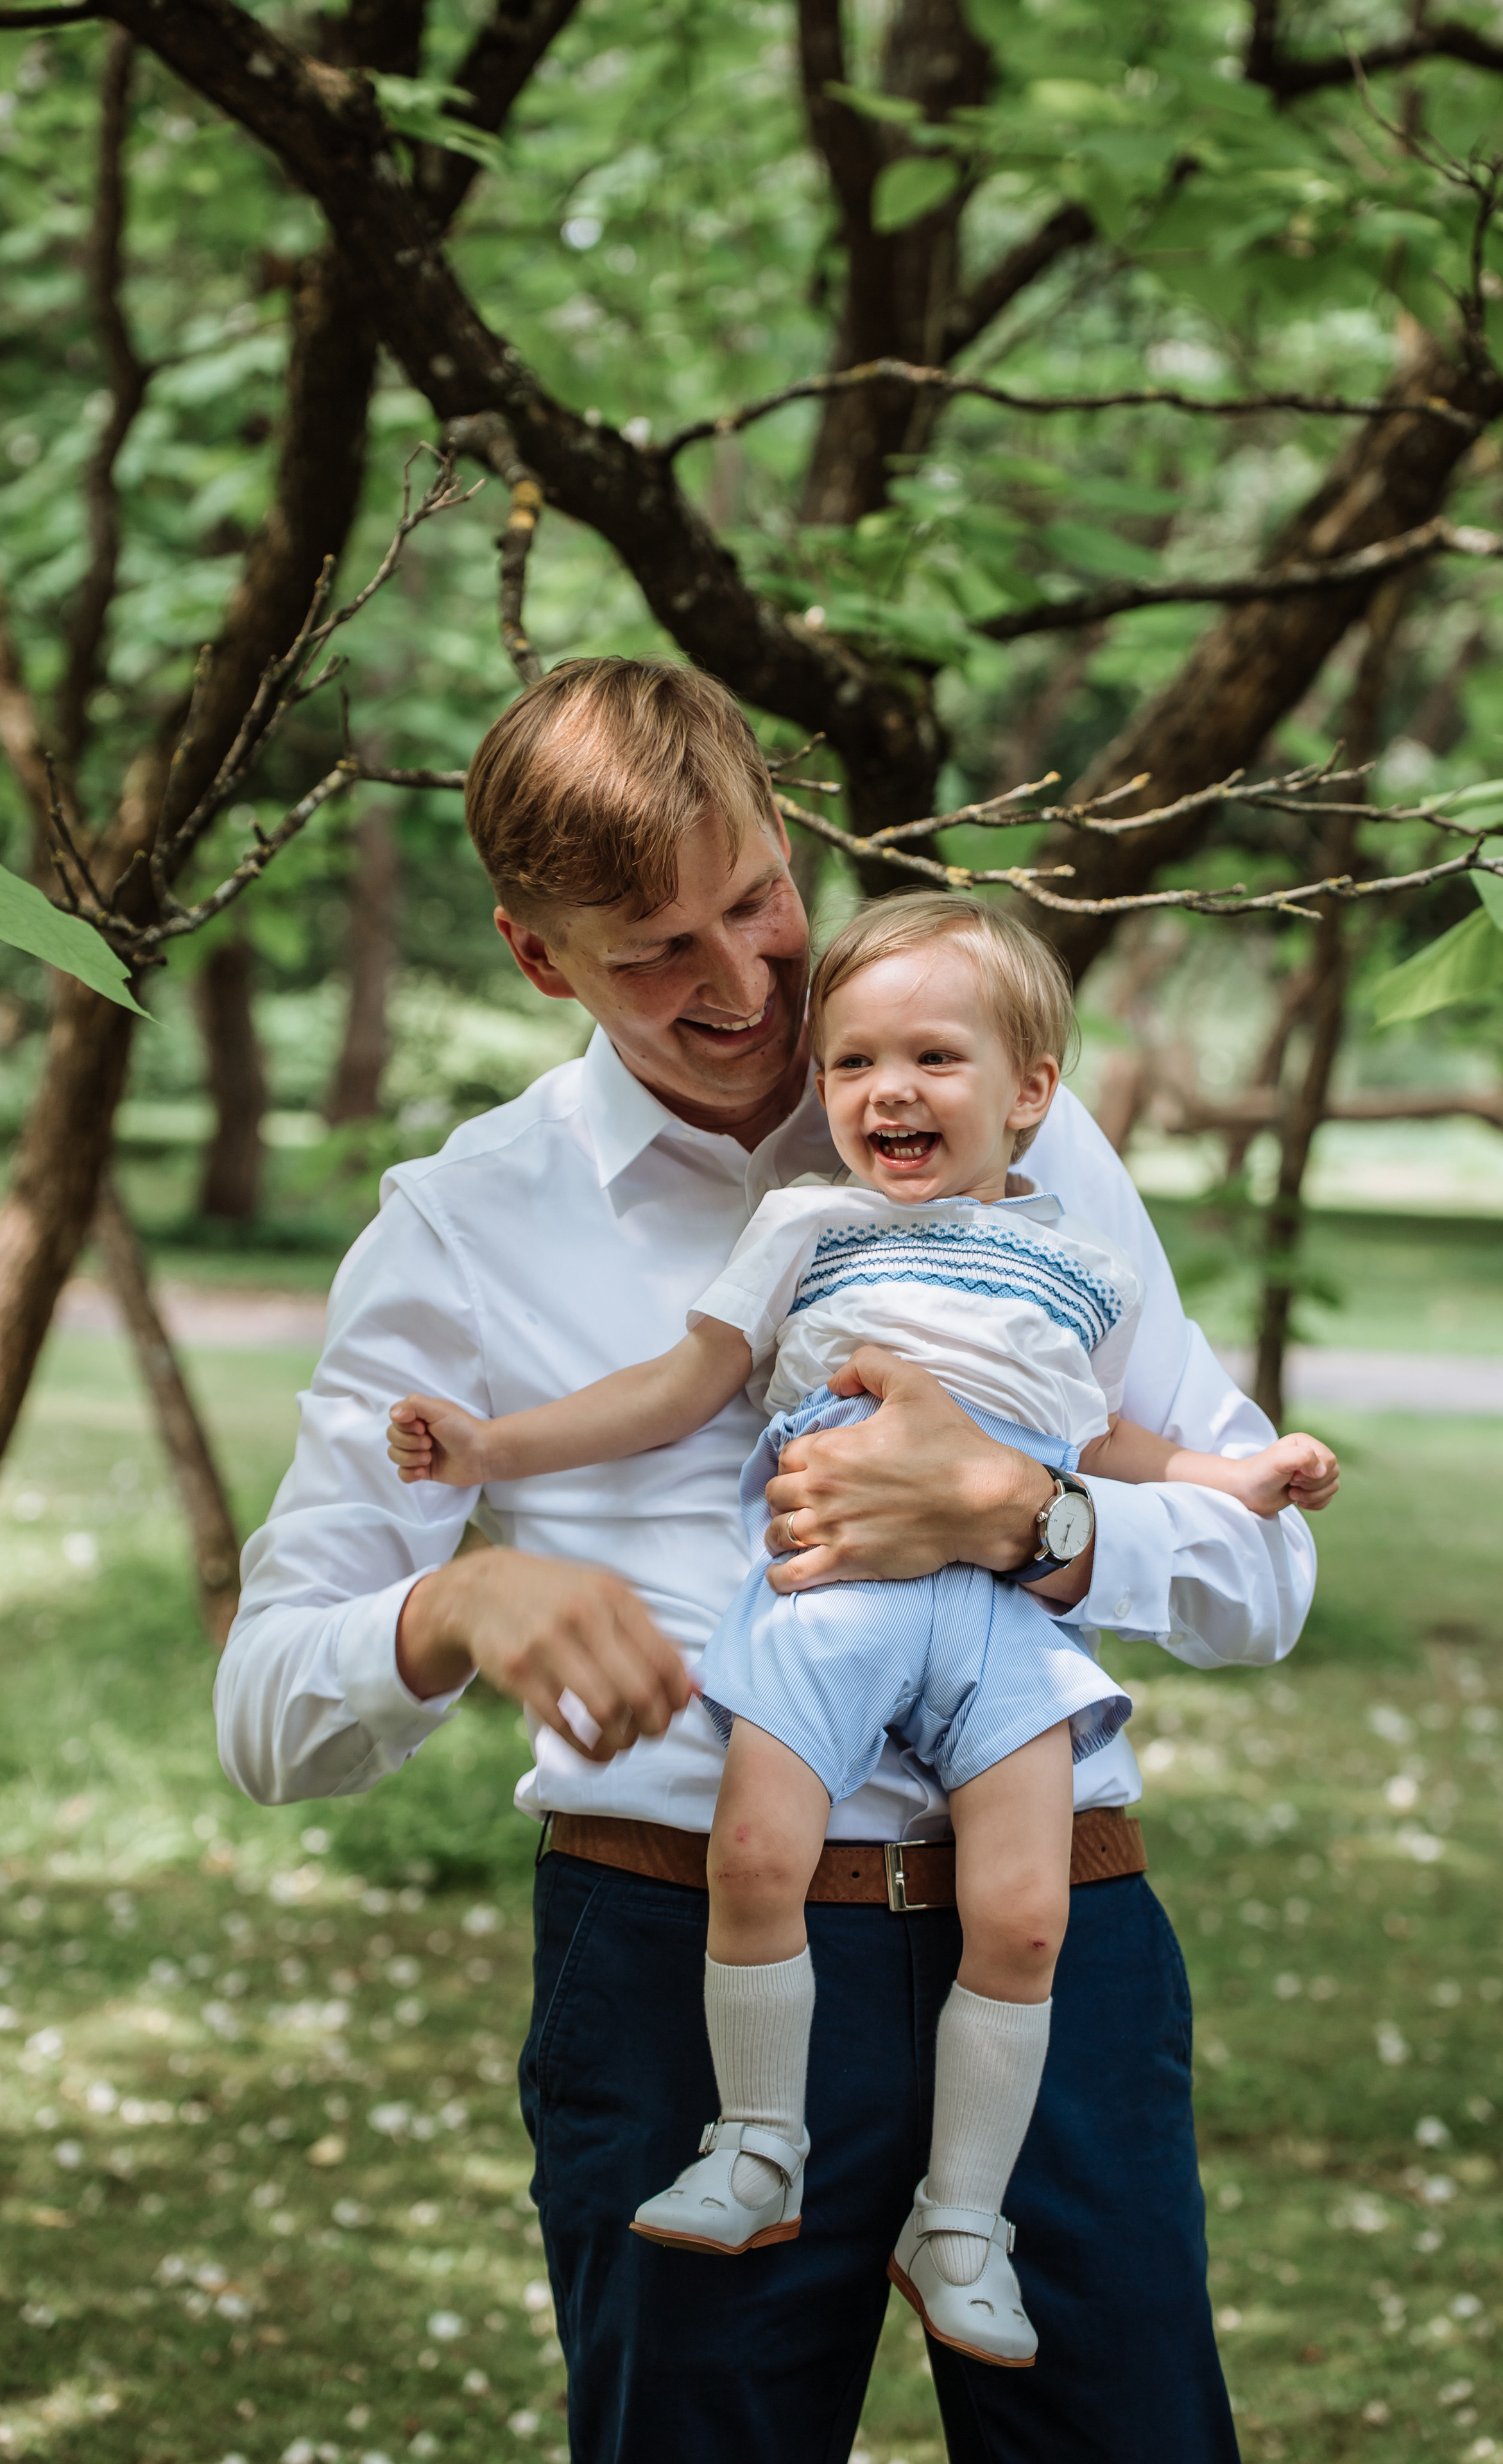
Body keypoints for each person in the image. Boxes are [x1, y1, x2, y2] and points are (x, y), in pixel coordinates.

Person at [216, 656, 1320, 2464]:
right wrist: (454, 1601)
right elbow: (269, 1716)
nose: (740, 988)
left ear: (793, 834)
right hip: (671, 1959)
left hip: (1053, 1932)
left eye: (757, 903)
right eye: (654, 952)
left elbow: (1264, 1577)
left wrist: (1028, 1524)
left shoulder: (1008, 1129)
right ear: (536, 954)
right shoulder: (461, 1226)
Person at [384, 892, 1337, 2366]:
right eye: (850, 1065)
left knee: (1025, 1918)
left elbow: (1123, 1439)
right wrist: (491, 1452)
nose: (885, 1092)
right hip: (831, 1592)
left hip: (1002, 1623)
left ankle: (960, 2219)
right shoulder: (805, 1223)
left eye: (932, 1060)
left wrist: (1237, 1474)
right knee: (750, 1850)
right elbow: (681, 1384)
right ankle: (756, 2138)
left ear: (1031, 1093)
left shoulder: (1077, 1256)